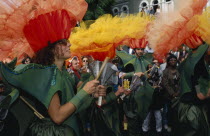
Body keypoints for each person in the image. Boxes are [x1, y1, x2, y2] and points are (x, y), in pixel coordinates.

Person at [0, 1, 107, 135]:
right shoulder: (48, 74)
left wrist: (92, 95)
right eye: (63, 42)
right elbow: (58, 116)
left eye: (67, 41)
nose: (69, 44)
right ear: (51, 49)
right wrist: (84, 92)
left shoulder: (62, 73)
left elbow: (71, 106)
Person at [117, 46, 154, 136]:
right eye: (138, 49)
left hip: (142, 95)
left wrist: (147, 76)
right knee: (130, 119)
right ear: (134, 50)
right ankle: (127, 131)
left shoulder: (144, 61)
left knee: (139, 119)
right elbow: (121, 75)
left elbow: (145, 79)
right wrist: (134, 74)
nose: (140, 51)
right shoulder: (130, 61)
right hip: (131, 96)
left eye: (142, 49)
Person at [161, 54, 180, 132]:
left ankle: (176, 125)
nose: (173, 61)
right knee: (168, 111)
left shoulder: (179, 70)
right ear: (168, 61)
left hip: (178, 95)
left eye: (175, 60)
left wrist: (178, 92)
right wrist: (172, 93)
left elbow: (182, 82)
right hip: (168, 96)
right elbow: (165, 84)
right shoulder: (165, 71)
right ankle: (168, 124)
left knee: (177, 111)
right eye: (171, 60)